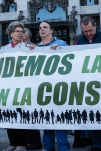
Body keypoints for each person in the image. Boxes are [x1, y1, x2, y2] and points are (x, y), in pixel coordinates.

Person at [75, 16, 101, 151]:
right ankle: (98, 145)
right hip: (89, 85)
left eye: (90, 30)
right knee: (94, 116)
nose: (87, 34)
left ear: (95, 26)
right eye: (84, 31)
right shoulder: (79, 41)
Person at [34, 21, 69, 151]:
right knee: (46, 119)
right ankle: (47, 147)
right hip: (43, 89)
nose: (42, 30)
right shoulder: (36, 47)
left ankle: (63, 148)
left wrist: (59, 51)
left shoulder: (61, 44)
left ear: (52, 30)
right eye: (40, 28)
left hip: (59, 88)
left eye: (45, 27)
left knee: (59, 120)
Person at [2, 22, 29, 151]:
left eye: (21, 31)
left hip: (23, 87)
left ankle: (22, 144)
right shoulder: (4, 49)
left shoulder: (29, 47)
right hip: (8, 87)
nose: (20, 33)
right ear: (11, 33)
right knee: (9, 115)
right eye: (17, 31)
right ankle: (13, 143)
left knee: (20, 116)